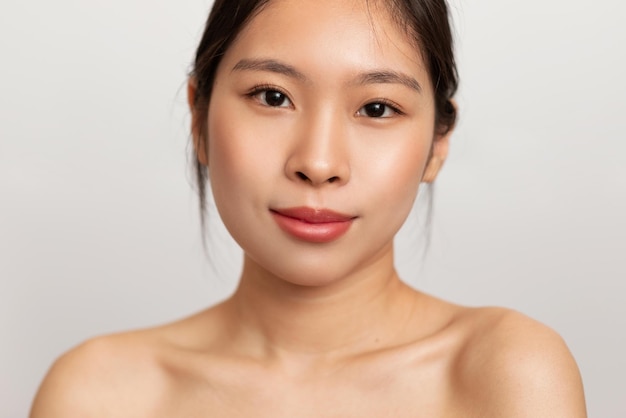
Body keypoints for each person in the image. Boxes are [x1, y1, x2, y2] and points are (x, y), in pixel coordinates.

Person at [30, 0, 587, 416]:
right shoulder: (97, 393)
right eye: (272, 96)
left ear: (437, 144)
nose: (318, 164)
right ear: (198, 119)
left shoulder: (506, 375)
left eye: (376, 107)